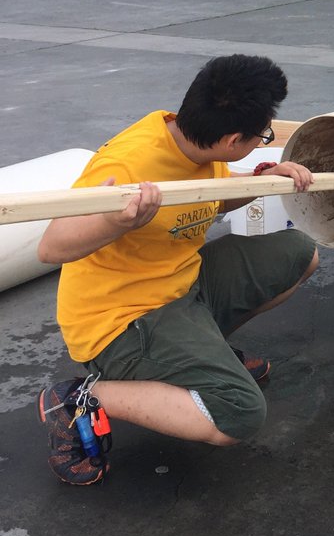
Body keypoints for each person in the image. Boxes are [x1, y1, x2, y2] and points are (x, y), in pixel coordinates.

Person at [36, 54, 317, 486]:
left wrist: (265, 176)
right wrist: (115, 221)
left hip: (183, 286)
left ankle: (200, 357)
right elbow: (51, 247)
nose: (263, 141)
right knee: (237, 415)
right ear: (231, 139)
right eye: (261, 137)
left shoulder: (194, 138)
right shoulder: (128, 165)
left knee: (299, 253)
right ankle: (80, 399)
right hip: (123, 320)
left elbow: (213, 198)